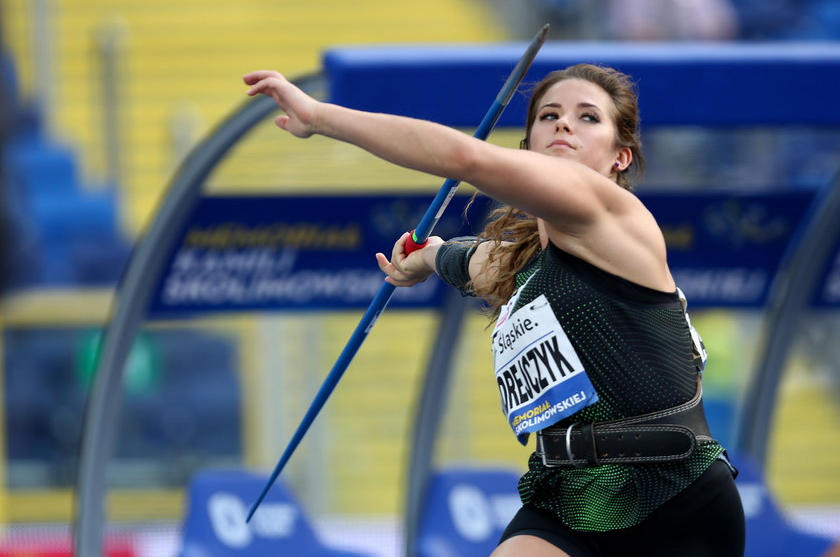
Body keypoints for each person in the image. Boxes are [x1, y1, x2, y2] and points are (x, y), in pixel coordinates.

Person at [243, 64, 745, 557]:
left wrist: (321, 117)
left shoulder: (610, 214)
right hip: (569, 494)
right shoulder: (525, 261)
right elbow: (468, 261)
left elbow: (465, 158)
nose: (564, 123)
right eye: (548, 115)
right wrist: (428, 257)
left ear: (620, 157)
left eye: (588, 117)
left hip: (672, 493)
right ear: (529, 147)